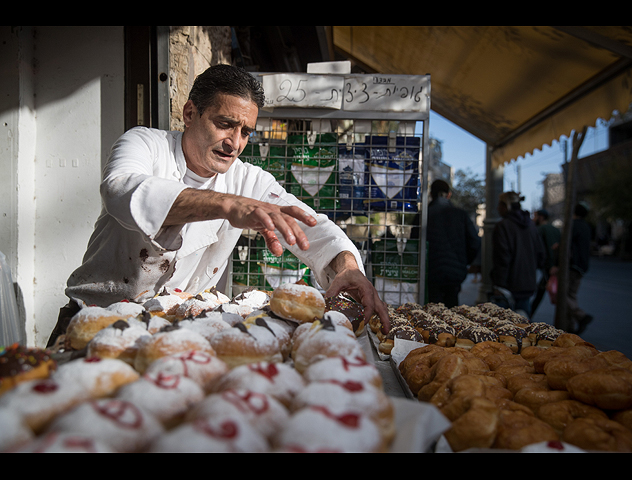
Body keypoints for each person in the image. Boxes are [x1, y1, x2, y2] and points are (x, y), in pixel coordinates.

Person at [47, 64, 390, 345]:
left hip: (176, 335)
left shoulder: (248, 180)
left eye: (246, 132)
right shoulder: (145, 144)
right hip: (91, 323)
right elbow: (121, 191)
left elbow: (308, 226)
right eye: (225, 124)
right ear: (190, 112)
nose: (234, 143)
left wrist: (347, 269)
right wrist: (225, 204)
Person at [426, 179, 481, 307]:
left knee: (432, 310)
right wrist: (463, 261)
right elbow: (475, 241)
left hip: (431, 271)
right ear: (448, 194)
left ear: (431, 194)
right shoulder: (460, 214)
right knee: (453, 309)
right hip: (455, 272)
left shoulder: (425, 215)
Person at [490, 192, 546, 318]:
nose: (498, 208)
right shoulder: (531, 226)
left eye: (499, 205)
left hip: (508, 286)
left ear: (506, 206)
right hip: (527, 284)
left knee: (503, 328)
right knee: (523, 327)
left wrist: (499, 284)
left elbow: (502, 258)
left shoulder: (503, 226)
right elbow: (541, 255)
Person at [562, 203, 593, 334]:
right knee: (571, 294)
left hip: (572, 265)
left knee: (563, 294)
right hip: (582, 265)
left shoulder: (573, 225)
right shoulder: (586, 226)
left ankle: (580, 315)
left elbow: (566, 244)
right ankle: (569, 325)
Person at [530, 209, 561, 317]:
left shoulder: (540, 229)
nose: (533, 219)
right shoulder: (556, 230)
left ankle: (528, 315)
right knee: (543, 291)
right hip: (554, 266)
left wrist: (550, 265)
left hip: (547, 266)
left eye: (535, 216)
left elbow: (542, 249)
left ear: (541, 217)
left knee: (541, 291)